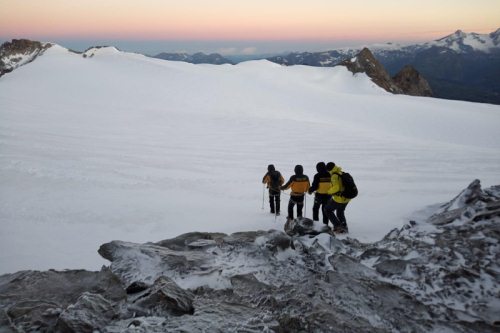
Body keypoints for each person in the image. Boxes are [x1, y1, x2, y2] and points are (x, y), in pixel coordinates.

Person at [324, 162, 350, 233]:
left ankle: (338, 226)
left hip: (340, 198)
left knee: (327, 209)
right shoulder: (340, 172)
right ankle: (344, 227)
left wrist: (329, 191)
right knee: (340, 211)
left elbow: (336, 187)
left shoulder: (334, 176)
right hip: (347, 197)